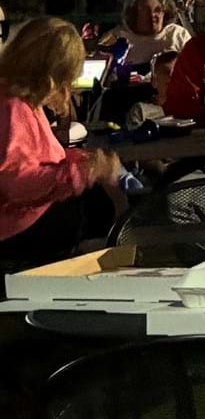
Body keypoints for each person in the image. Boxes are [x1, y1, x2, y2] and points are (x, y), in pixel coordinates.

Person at [0, 18, 121, 269]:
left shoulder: (25, 103)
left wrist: (81, 162)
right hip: (19, 236)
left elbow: (41, 158)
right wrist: (78, 172)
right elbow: (15, 180)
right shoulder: (13, 107)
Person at [103, 0, 191, 70]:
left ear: (165, 12)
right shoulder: (118, 36)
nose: (152, 15)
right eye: (146, 10)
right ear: (135, 13)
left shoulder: (178, 35)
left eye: (158, 10)